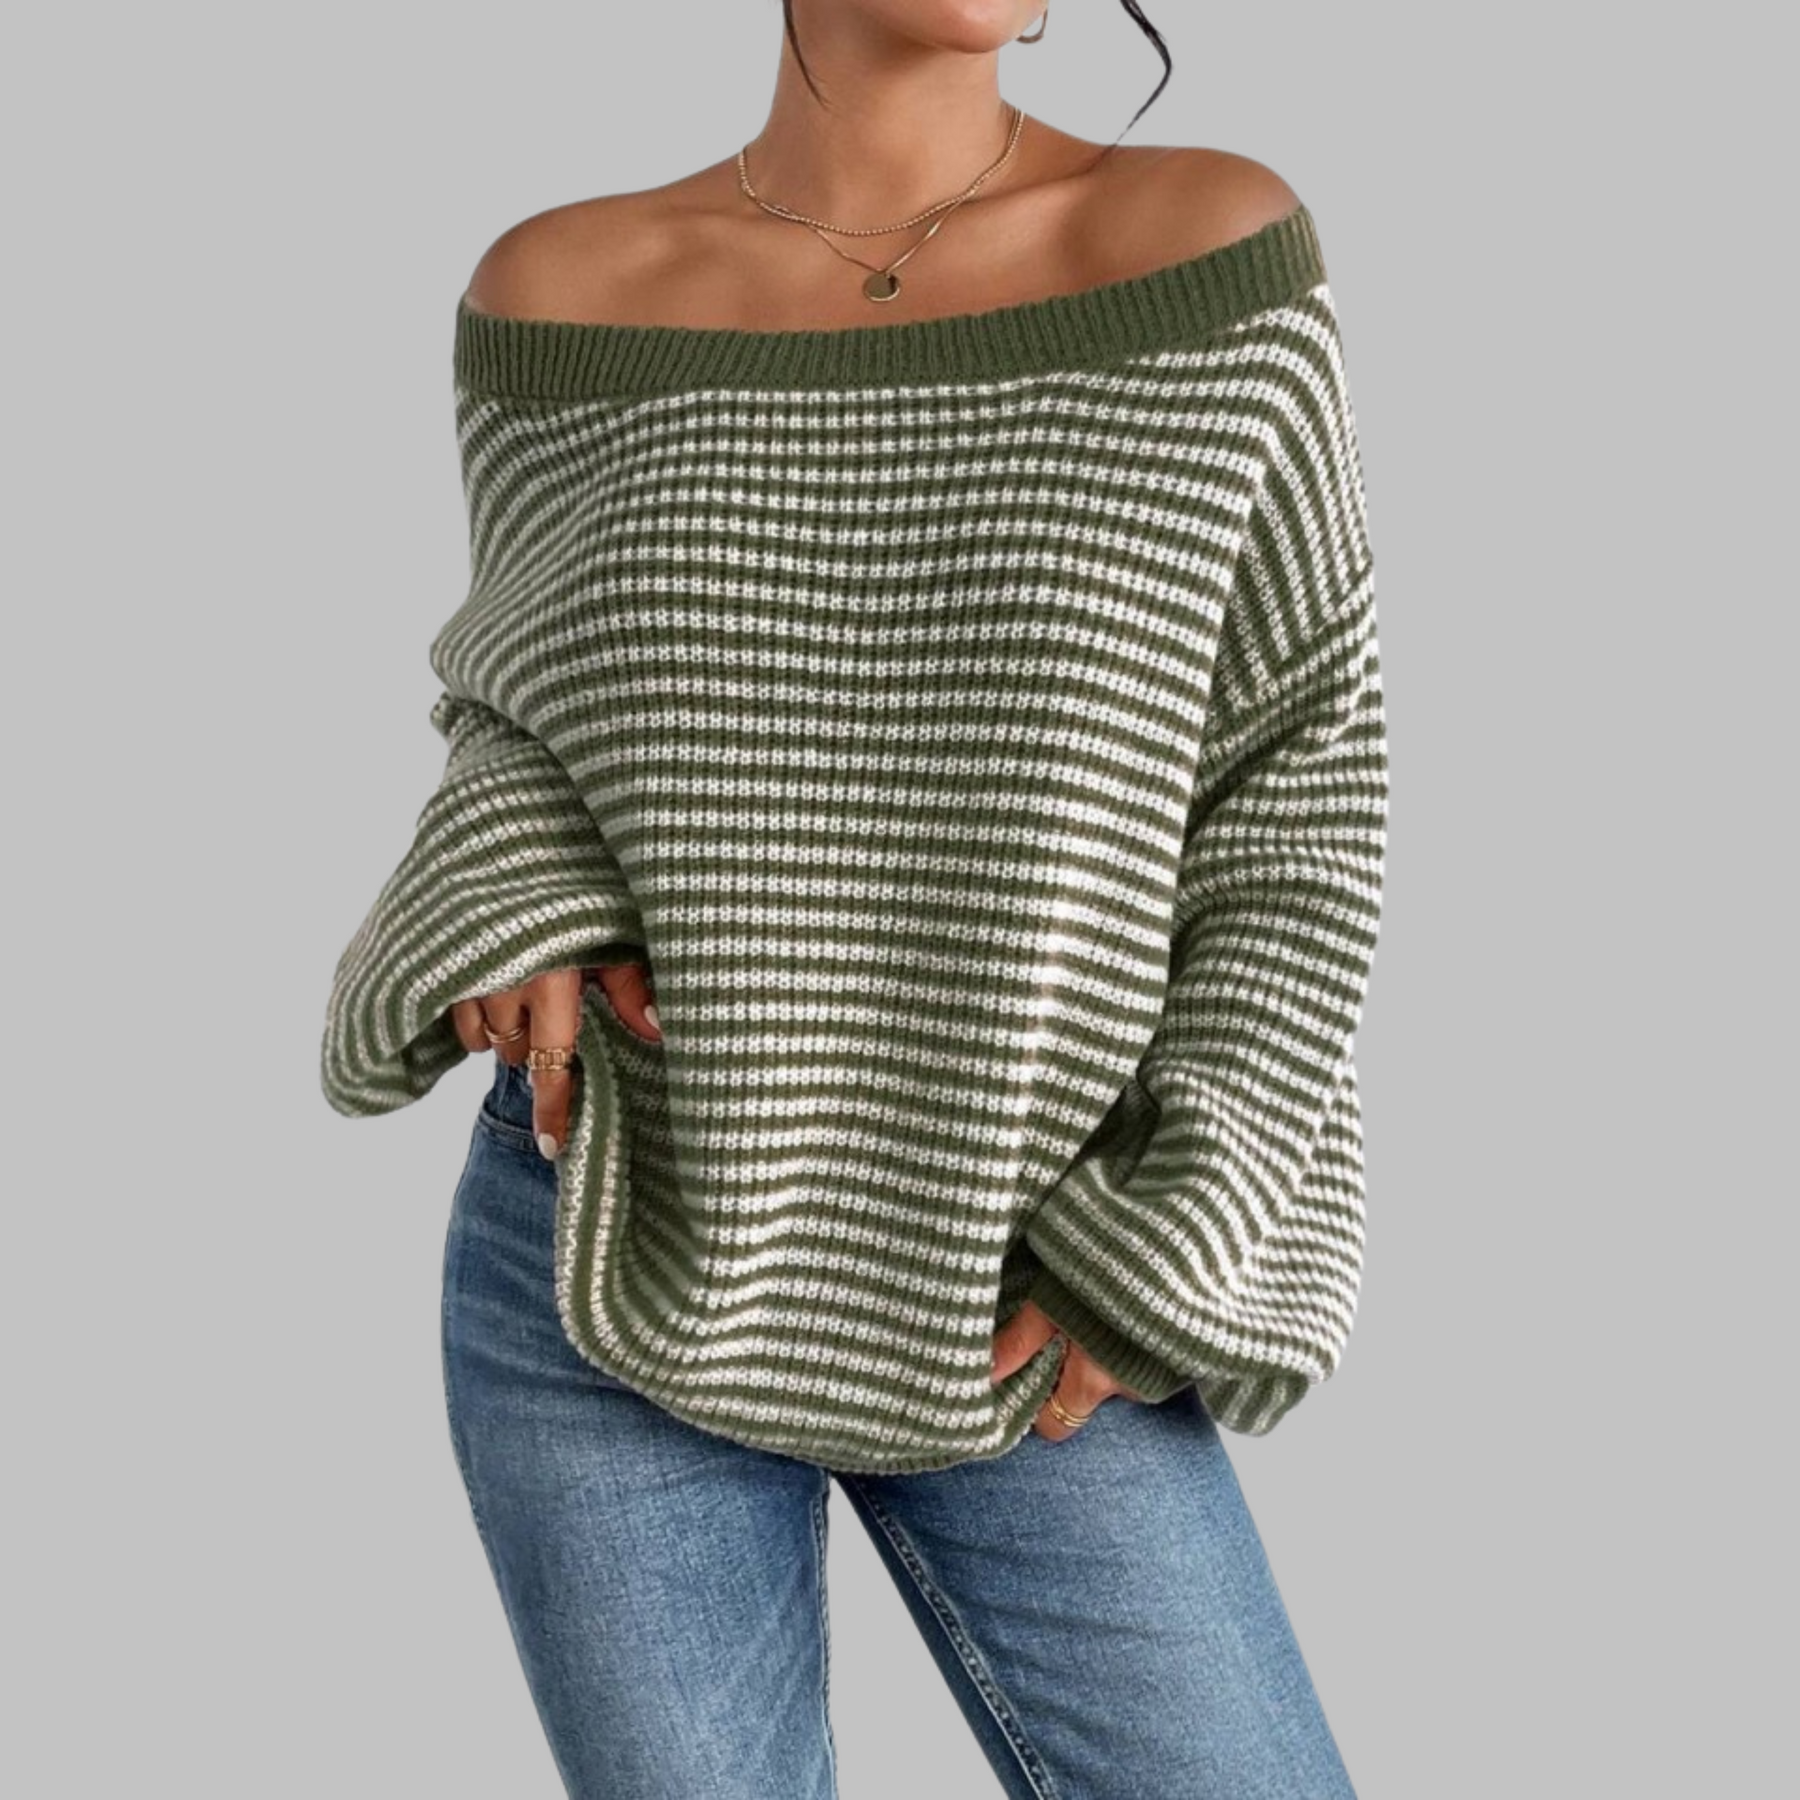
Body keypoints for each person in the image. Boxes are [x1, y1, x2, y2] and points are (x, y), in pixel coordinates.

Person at [319, 3, 1388, 1793]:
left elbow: (1300, 788)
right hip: (620, 1222)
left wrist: (1180, 1222)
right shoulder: (559, 287)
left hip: (1038, 1247)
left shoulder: (1203, 248)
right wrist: (515, 891)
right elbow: (522, 711)